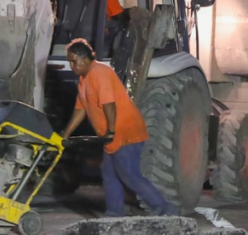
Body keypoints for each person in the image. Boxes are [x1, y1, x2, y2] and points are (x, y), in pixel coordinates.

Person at [61, 39, 177, 217]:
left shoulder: (100, 73)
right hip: (112, 135)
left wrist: (112, 131)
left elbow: (109, 104)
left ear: (84, 59)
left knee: (128, 174)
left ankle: (163, 207)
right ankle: (114, 212)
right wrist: (65, 134)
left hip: (125, 132)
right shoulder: (84, 80)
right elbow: (80, 109)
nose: (71, 66)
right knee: (109, 174)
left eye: (73, 61)